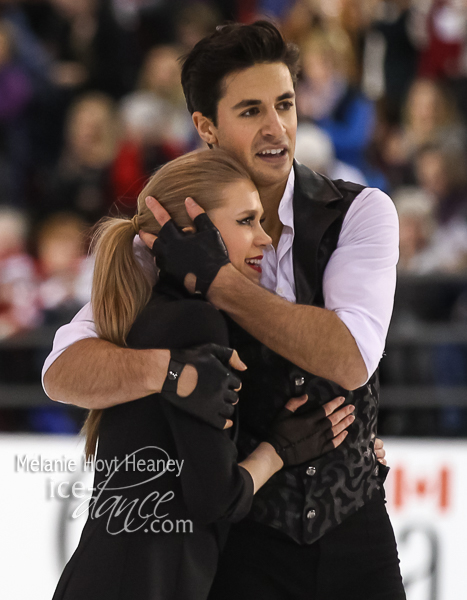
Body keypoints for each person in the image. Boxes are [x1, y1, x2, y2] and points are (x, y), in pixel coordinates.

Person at [43, 21, 400, 599]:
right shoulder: (162, 239)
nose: (276, 127)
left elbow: (351, 360)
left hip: (355, 535)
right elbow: (63, 373)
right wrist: (170, 373)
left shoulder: (359, 212)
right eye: (251, 110)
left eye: (285, 103)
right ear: (205, 127)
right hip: (238, 545)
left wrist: (217, 280)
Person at [51, 149, 355, 600]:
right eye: (246, 221)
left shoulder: (148, 311)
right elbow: (218, 499)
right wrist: (280, 448)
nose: (266, 240)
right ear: (194, 230)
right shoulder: (196, 322)